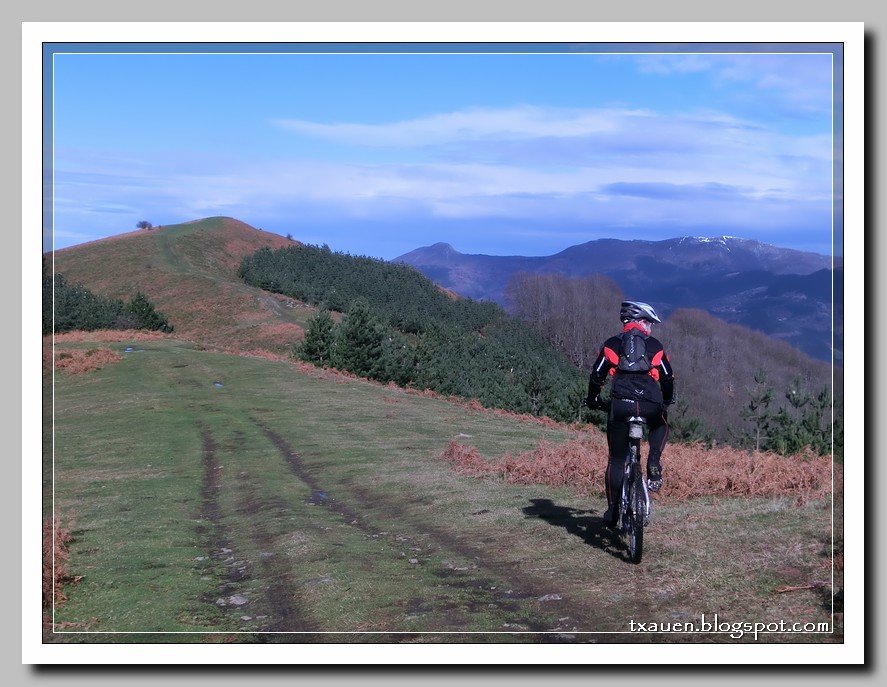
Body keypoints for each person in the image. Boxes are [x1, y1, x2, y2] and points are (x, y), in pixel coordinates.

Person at [585, 300, 676, 528]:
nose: (651, 328)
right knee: (661, 425)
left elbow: (597, 376)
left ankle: (612, 512)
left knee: (616, 460)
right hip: (649, 404)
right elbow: (668, 377)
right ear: (642, 322)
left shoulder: (611, 344)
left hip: (621, 404)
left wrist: (594, 399)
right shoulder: (655, 346)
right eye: (650, 323)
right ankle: (653, 461)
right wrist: (665, 401)